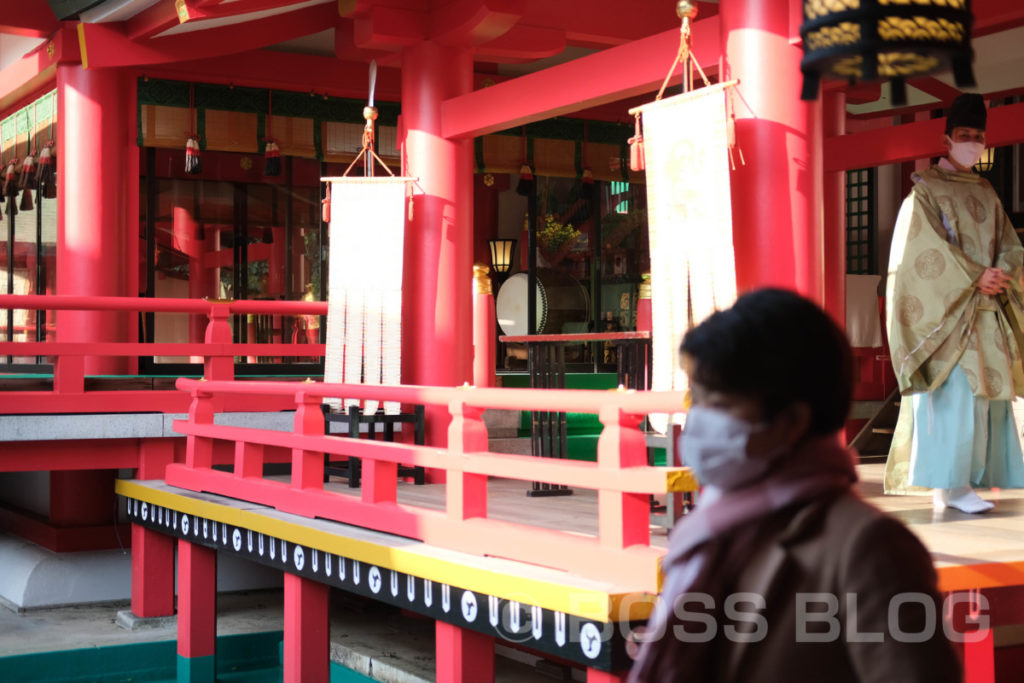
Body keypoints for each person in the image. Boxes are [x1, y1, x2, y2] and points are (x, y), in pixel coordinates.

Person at [629, 288, 960, 683]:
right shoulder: (711, 530)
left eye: (716, 404)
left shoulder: (868, 547)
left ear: (791, 421)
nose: (698, 423)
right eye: (695, 401)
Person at [884, 93, 1024, 513]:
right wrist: (973, 274)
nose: (973, 143)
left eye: (979, 137)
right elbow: (922, 252)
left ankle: (967, 482)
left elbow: (1009, 244)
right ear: (946, 141)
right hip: (948, 314)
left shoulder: (985, 191)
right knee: (954, 398)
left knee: (982, 402)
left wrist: (1002, 272)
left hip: (984, 314)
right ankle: (948, 484)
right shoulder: (924, 192)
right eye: (965, 135)